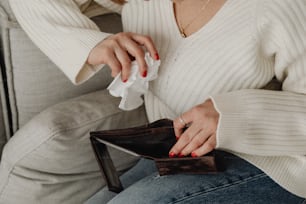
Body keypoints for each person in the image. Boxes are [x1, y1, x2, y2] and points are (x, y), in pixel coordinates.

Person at [2, 0, 306, 203]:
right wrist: (91, 44)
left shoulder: (281, 8)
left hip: (273, 163)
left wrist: (233, 115)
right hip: (176, 156)